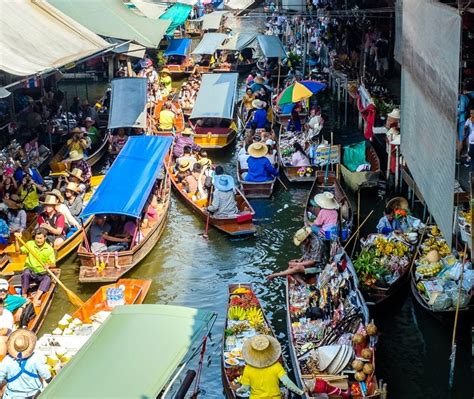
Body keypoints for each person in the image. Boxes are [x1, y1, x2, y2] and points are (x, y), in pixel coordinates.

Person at [236, 335, 305, 398]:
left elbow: (245, 388)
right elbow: (287, 383)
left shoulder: (248, 369)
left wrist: (237, 390)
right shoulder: (276, 366)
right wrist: (300, 392)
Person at [0, 329, 52, 398]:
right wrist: (50, 381)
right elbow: (46, 374)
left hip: (13, 395)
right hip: (33, 393)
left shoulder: (7, 360)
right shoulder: (35, 358)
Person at [16, 229, 55, 307]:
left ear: (45, 237)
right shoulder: (30, 244)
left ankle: (35, 299)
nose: (39, 240)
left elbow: (53, 264)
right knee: (26, 272)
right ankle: (24, 295)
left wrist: (48, 265)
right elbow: (18, 252)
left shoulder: (49, 249)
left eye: (40, 238)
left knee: (47, 279)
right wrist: (16, 240)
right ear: (34, 238)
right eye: (37, 238)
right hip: (31, 271)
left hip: (42, 273)